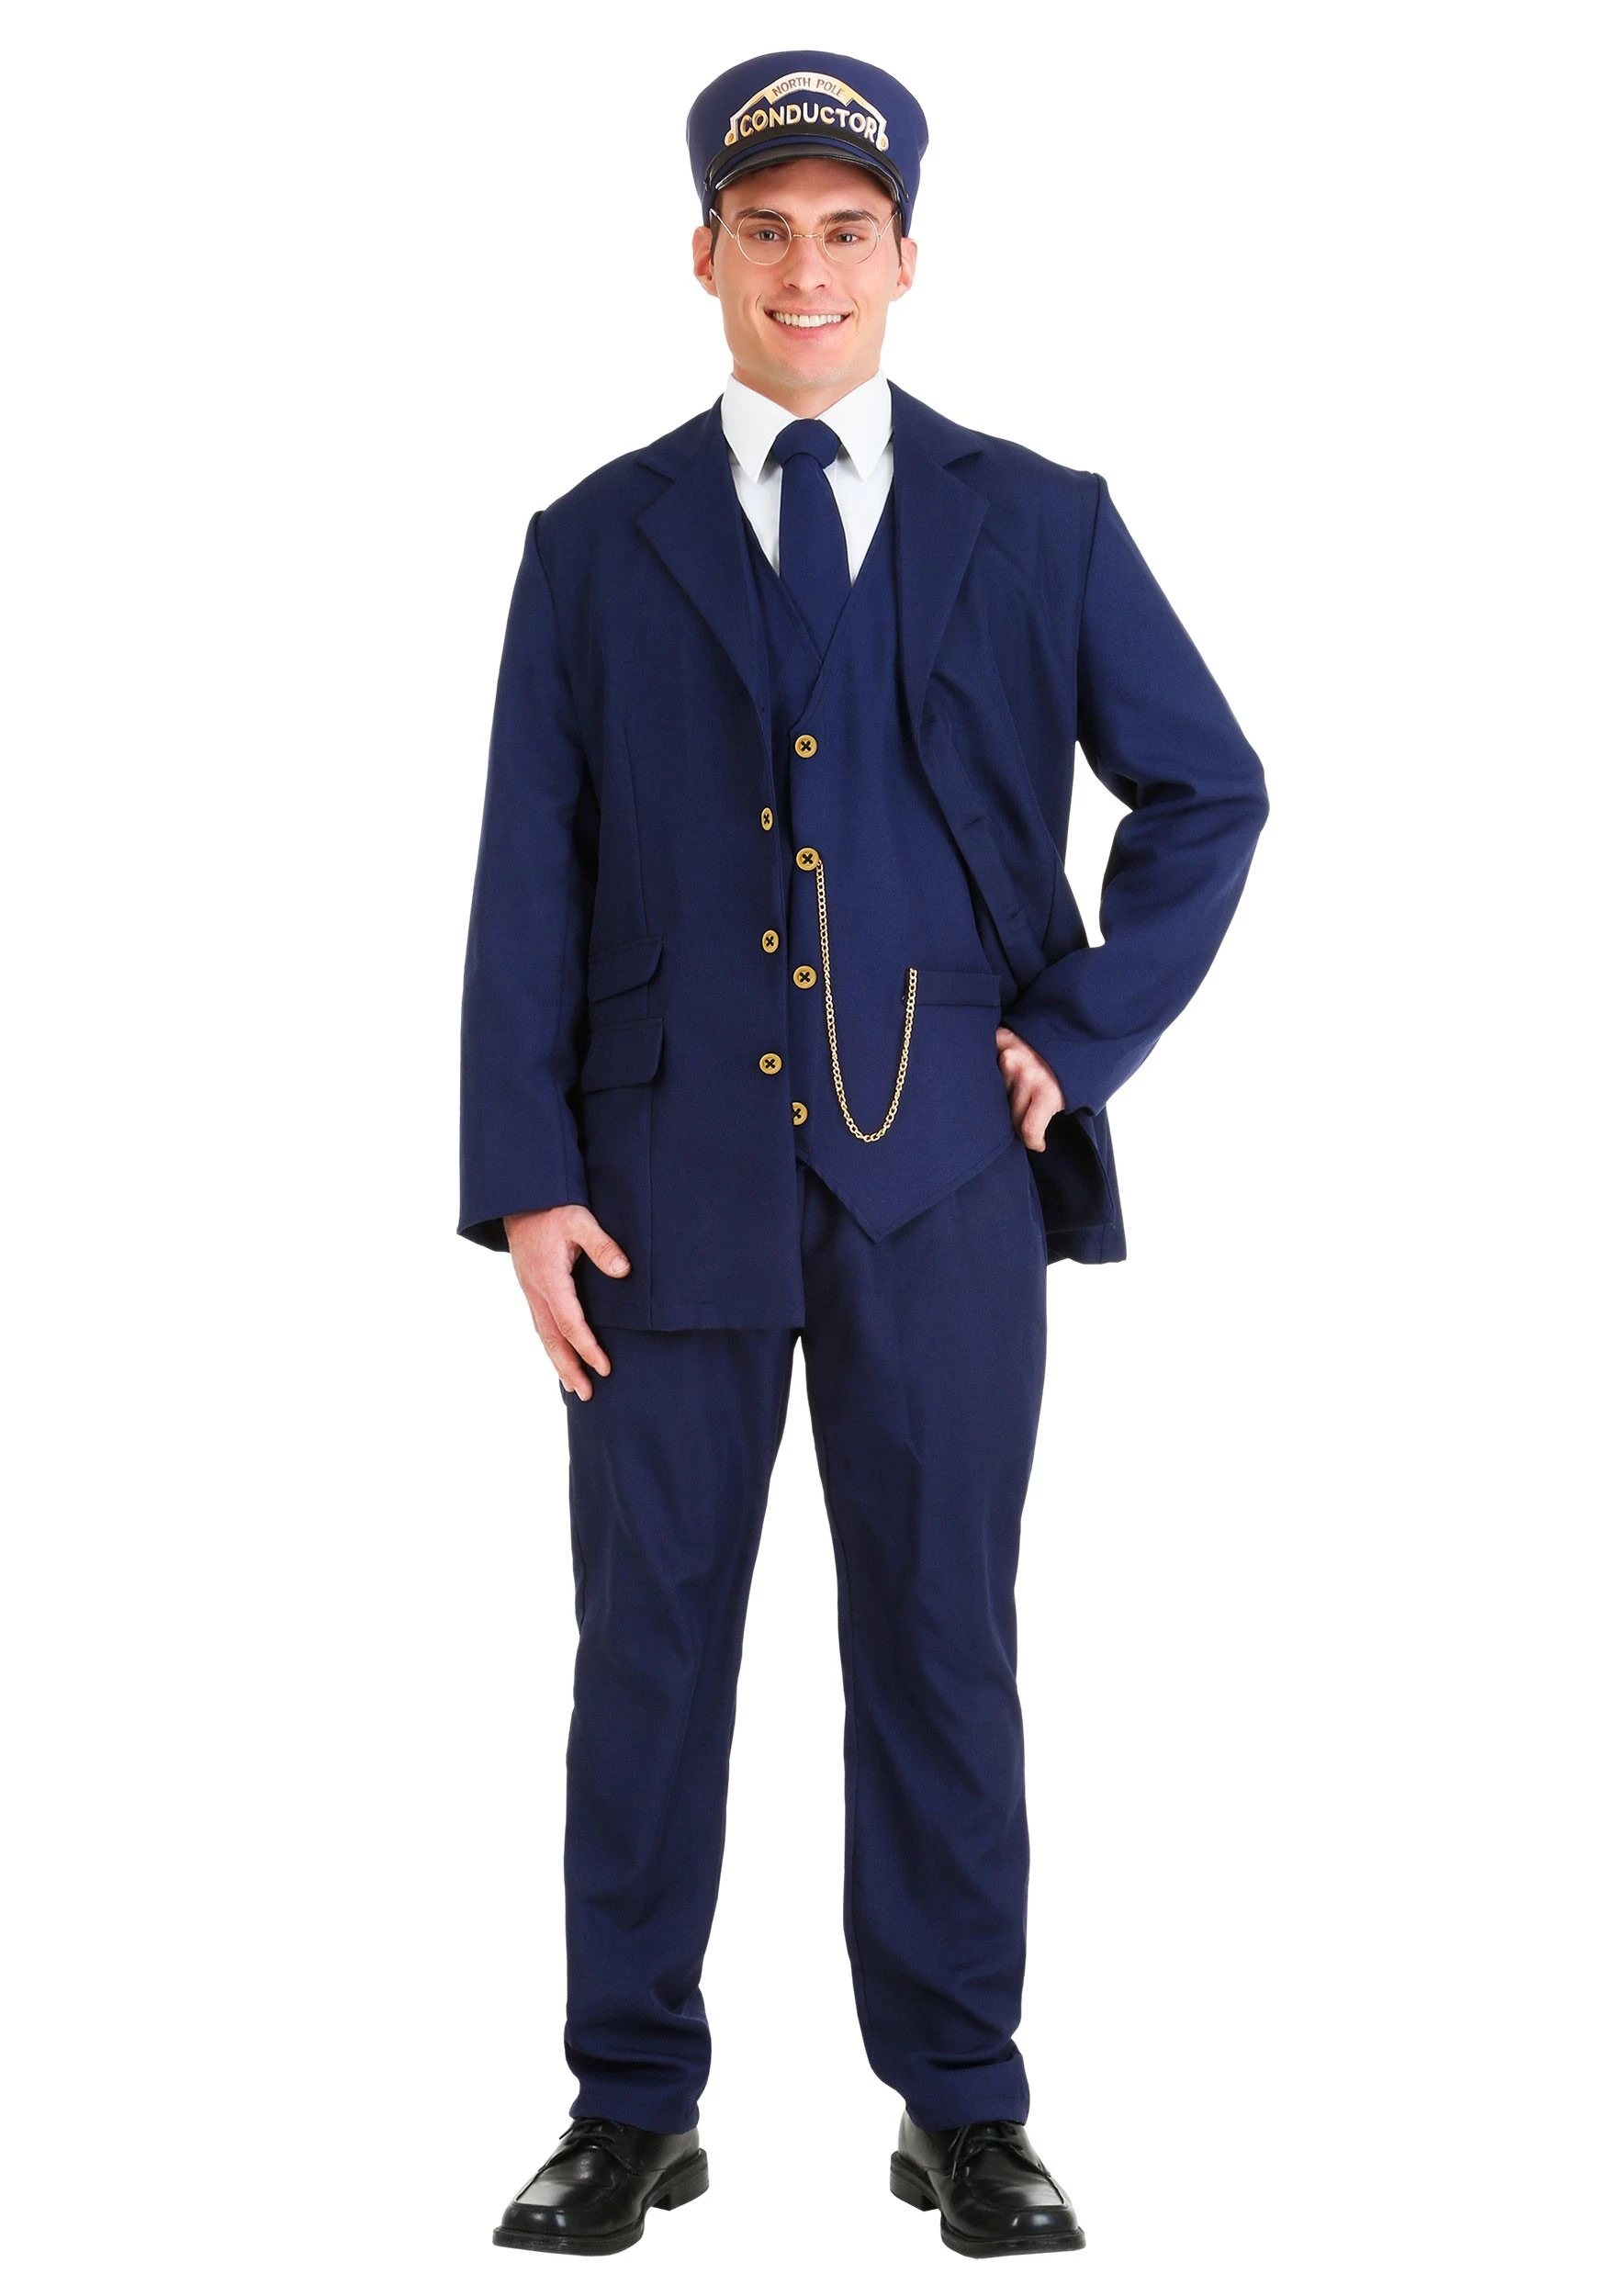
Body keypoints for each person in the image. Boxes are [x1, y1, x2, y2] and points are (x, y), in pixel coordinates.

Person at [459, 48, 1268, 2261]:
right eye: (763, 230)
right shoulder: (590, 543)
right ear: (701, 256)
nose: (801, 270)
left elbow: (1207, 790)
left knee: (936, 1636)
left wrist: (1072, 1039)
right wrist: (523, 1175)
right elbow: (528, 869)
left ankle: (961, 2102)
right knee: (646, 1651)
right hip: (652, 1189)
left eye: (843, 231)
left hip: (944, 1186)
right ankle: (629, 2100)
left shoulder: (1041, 519)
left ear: (906, 258)